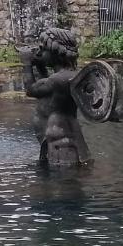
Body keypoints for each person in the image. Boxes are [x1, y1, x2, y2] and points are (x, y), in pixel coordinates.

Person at [25, 26, 91, 167]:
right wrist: (40, 66)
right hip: (62, 141)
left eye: (43, 49)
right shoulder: (69, 76)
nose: (40, 52)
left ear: (56, 52)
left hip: (61, 147)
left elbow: (31, 90)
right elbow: (46, 93)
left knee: (62, 185)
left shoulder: (57, 80)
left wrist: (26, 64)